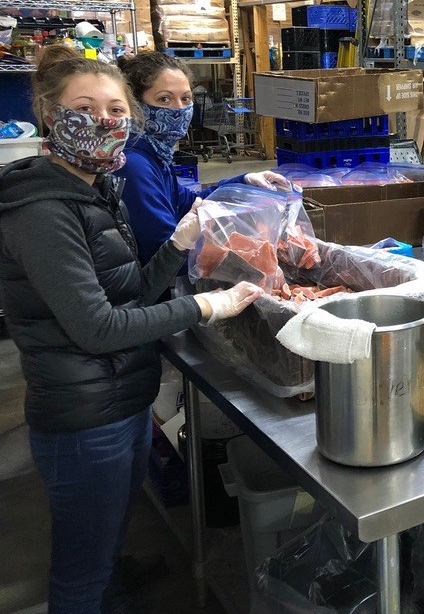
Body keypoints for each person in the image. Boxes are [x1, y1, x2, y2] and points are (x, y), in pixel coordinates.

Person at [0, 45, 263, 614]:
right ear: (50, 115)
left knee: (106, 531)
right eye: (86, 108)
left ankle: (111, 592)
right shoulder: (43, 210)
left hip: (119, 396)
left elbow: (133, 295)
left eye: (117, 111)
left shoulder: (96, 187)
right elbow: (98, 327)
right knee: (79, 568)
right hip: (83, 416)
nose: (105, 122)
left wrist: (176, 245)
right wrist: (207, 308)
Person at [116, 52, 290, 265]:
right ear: (135, 105)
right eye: (164, 99)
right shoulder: (135, 166)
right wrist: (243, 254)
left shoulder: (155, 155)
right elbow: (162, 251)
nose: (179, 109)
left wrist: (244, 182)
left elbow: (188, 204)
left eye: (186, 98)